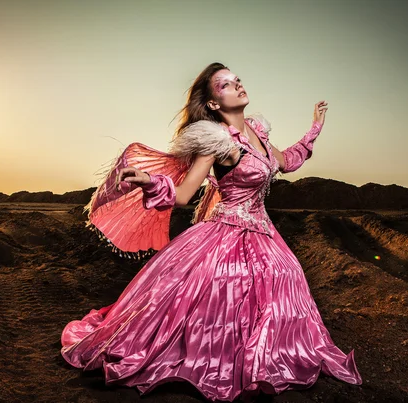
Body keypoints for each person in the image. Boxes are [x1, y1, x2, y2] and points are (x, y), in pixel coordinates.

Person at [60, 62, 362, 402]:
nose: (238, 85)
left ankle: (265, 355)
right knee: (222, 289)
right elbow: (186, 193)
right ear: (215, 104)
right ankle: (215, 358)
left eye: (237, 80)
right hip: (225, 231)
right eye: (226, 85)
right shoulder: (214, 142)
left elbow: (287, 162)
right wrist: (150, 182)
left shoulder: (258, 133)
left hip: (263, 232)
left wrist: (314, 129)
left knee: (285, 274)